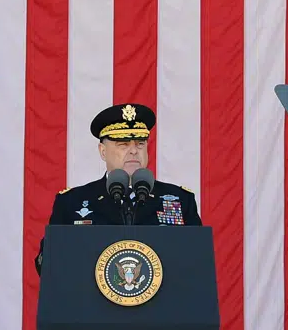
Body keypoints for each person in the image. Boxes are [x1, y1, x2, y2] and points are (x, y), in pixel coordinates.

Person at [34, 103, 201, 272]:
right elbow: (48, 265)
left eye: (140, 144)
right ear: (103, 152)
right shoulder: (72, 202)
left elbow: (198, 261)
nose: (134, 151)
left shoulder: (179, 199)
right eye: (123, 145)